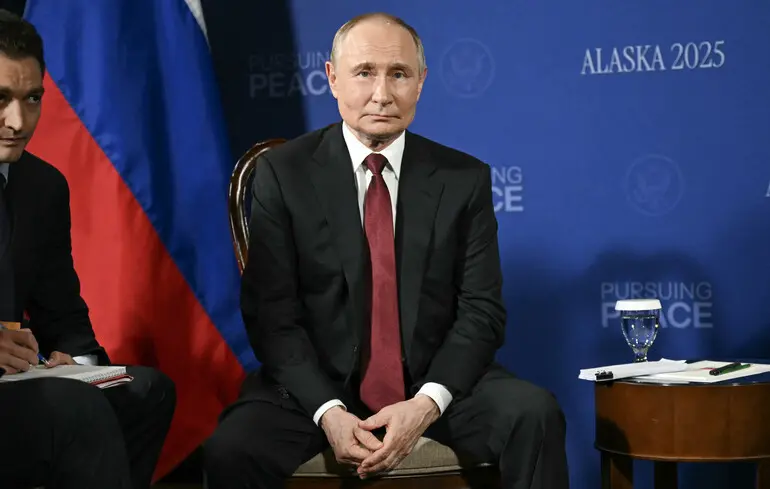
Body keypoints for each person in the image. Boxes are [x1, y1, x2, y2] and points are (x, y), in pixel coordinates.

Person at [204, 12, 569, 489]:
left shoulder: (463, 179)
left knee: (533, 413)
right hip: (316, 390)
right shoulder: (284, 173)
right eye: (364, 72)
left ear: (421, 82)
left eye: (399, 74)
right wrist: (329, 412)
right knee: (232, 449)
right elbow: (271, 316)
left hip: (433, 385)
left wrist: (427, 403)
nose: (382, 93)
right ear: (332, 78)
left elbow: (482, 312)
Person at [0, 10, 176, 489]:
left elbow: (63, 313)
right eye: (1, 99)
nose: (18, 121)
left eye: (32, 99)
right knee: (76, 411)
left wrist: (77, 364)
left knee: (147, 391)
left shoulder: (42, 186)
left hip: (15, 389)